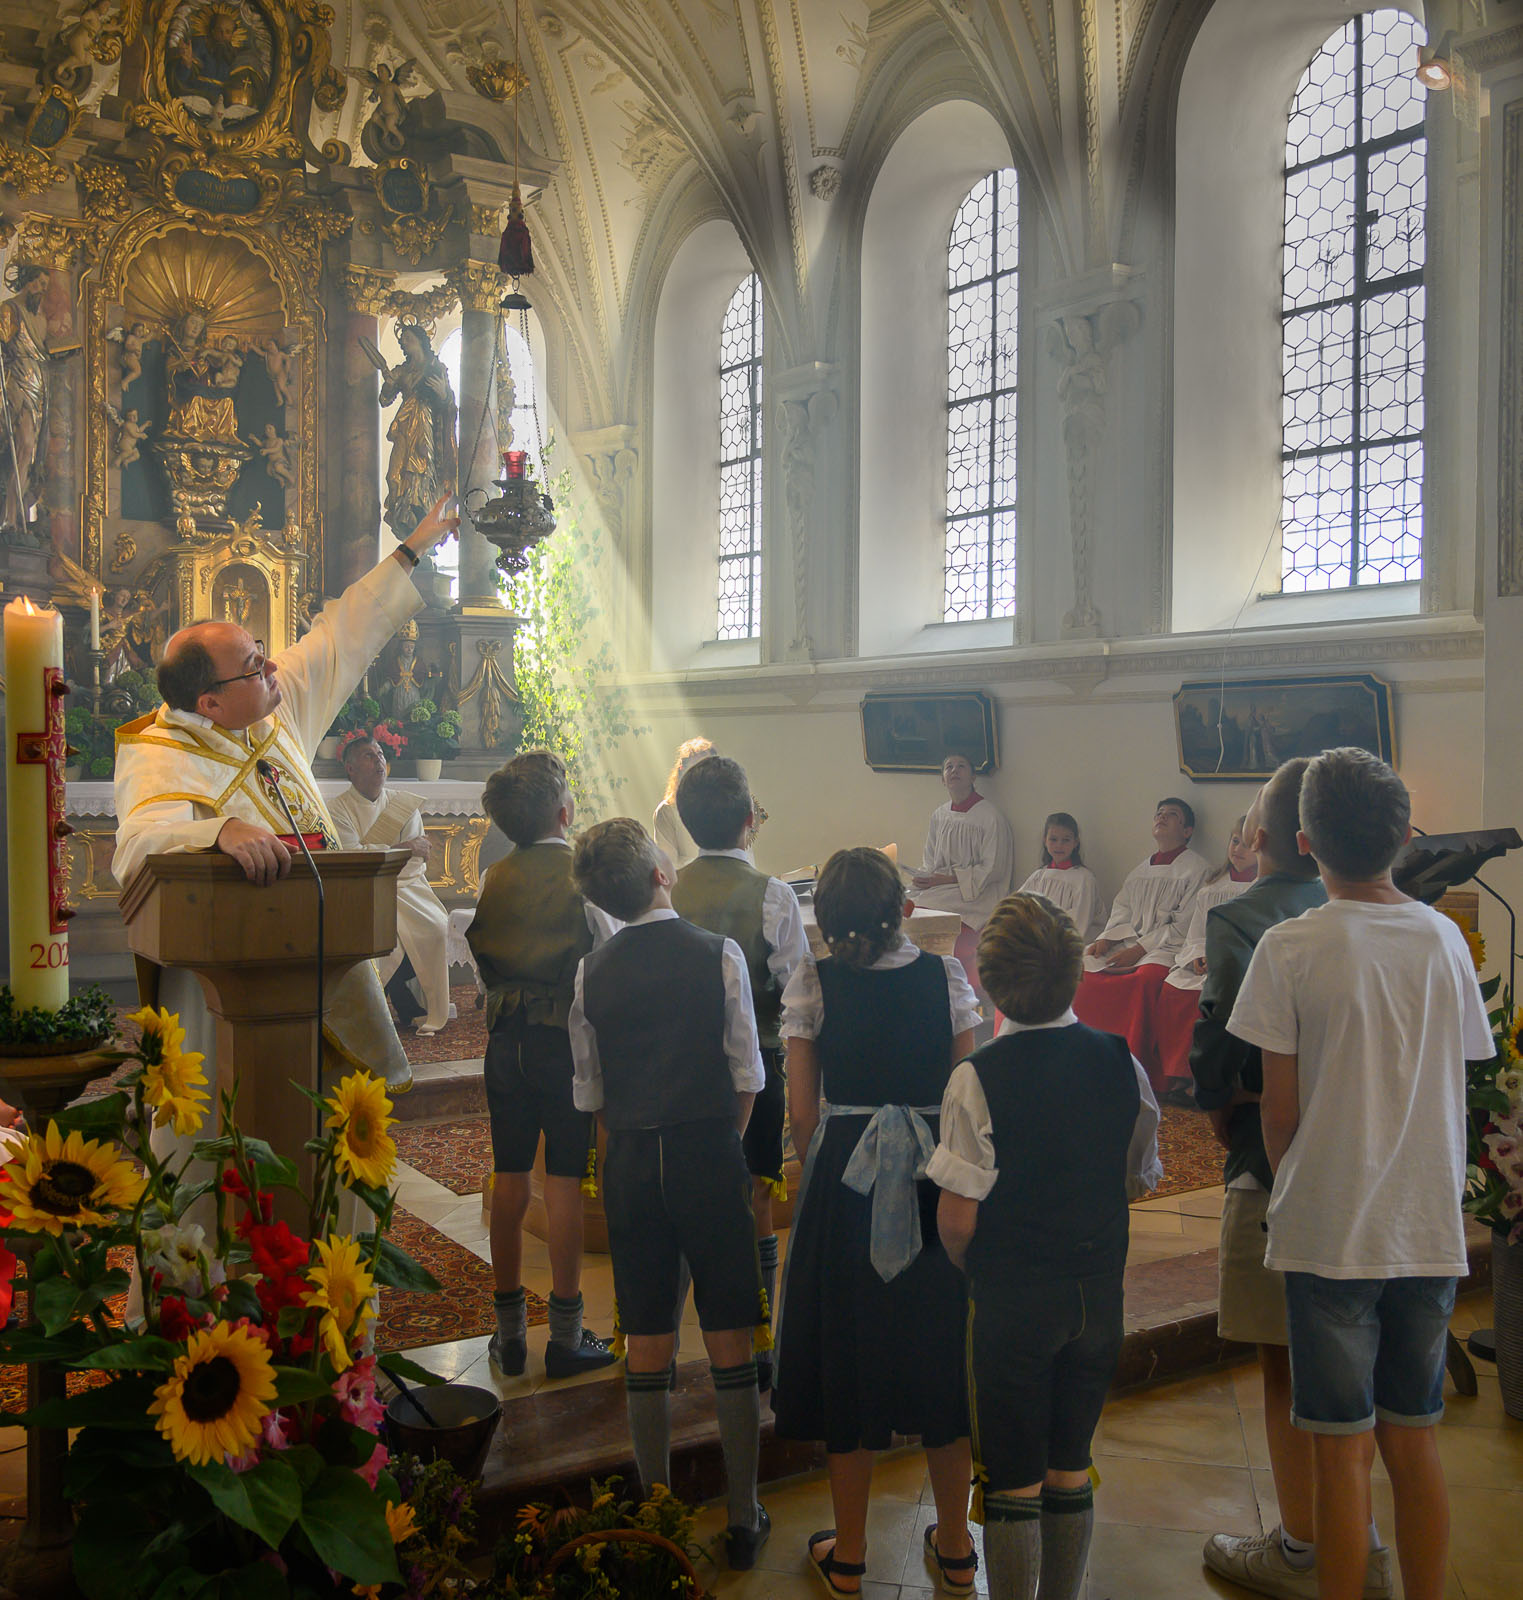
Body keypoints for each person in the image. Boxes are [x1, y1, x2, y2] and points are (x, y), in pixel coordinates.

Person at [1228, 749, 1491, 1600]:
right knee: (1413, 1442)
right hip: (1423, 1226)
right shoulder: (1445, 935)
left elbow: (1277, 1107)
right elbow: (1455, 1075)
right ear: (1404, 838)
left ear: (1303, 844)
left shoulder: (1289, 945)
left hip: (1329, 1228)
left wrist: (1295, 1178)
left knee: (1338, 1453)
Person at [113, 496, 462, 1121]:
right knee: (228, 1131)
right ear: (210, 702)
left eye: (261, 650)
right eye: (253, 664)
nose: (272, 665)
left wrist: (413, 547)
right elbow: (138, 845)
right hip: (220, 981)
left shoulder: (273, 711)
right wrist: (220, 830)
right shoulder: (156, 752)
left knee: (326, 1128)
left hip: (319, 951)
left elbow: (340, 637)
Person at [1189, 761, 1390, 1600]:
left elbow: (1221, 1057)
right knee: (1355, 1368)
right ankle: (1358, 1538)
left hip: (1271, 1166)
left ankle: (1303, 1545)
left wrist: (1218, 1096)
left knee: (1281, 1360)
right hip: (1371, 1165)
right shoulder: (1375, 912)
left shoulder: (1240, 917)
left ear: (1266, 837)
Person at [932, 894, 1162, 1600]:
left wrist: (976, 1265)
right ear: (1078, 975)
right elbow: (1137, 1172)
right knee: (1069, 1462)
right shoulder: (1118, 1061)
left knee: (1010, 1476)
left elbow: (957, 1218)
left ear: (987, 983)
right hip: (1096, 1293)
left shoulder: (977, 1077)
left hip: (1012, 1299)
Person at [772, 847, 980, 1597]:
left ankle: (852, 1553)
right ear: (903, 910)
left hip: (846, 1183)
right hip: (934, 1181)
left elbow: (801, 1112)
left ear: (824, 920)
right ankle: (956, 1546)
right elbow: (966, 1094)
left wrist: (827, 1167)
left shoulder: (814, 981)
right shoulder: (944, 977)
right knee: (939, 1352)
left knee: (848, 1357)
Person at [569, 819, 771, 1571]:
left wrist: (626, 1145)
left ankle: (656, 1510)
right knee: (728, 1336)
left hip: (629, 1157)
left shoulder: (592, 971)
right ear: (661, 874)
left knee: (646, 1335)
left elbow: (589, 1090)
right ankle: (744, 1513)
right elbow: (746, 1072)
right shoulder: (715, 953)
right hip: (704, 1149)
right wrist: (719, 1137)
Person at [465, 749, 618, 1381]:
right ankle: (563, 1334)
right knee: (561, 1185)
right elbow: (609, 955)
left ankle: (507, 1335)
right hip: (565, 1046)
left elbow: (482, 960)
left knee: (508, 1177)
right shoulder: (583, 878)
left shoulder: (493, 877)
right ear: (565, 811)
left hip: (506, 1044)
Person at [670, 754, 809, 1390]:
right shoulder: (773, 896)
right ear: (750, 821)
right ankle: (760, 1342)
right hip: (757, 1068)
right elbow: (799, 991)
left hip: (677, 1067)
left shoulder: (666, 888)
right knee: (756, 1194)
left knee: (683, 1195)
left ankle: (665, 1341)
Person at [1073, 797, 1209, 1084]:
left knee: (1146, 979)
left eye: (1172, 815)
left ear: (1187, 831)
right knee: (1081, 967)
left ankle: (1135, 1065)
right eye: (1159, 813)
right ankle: (1087, 1056)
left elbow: (1183, 924)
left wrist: (1139, 950)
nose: (1162, 817)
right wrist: (1107, 939)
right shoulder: (1140, 871)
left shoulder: (1197, 870)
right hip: (1128, 944)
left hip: (1167, 948)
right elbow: (1122, 909)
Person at [329, 733, 453, 1037]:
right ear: (351, 769)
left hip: (409, 886)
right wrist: (402, 848)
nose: (379, 761)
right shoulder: (337, 809)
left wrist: (398, 851)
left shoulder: (403, 804)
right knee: (387, 938)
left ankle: (411, 1003)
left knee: (436, 927)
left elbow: (415, 860)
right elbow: (351, 856)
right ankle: (387, 1005)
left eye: (381, 754)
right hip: (365, 890)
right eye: (369, 756)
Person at [1149, 814, 1257, 1101]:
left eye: (1247, 844)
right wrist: (1198, 955)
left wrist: (1221, 959)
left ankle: (1198, 1076)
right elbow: (1196, 932)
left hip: (1237, 966)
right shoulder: (1212, 887)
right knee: (1173, 989)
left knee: (1206, 999)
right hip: (1204, 963)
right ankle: (1174, 1074)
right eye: (1235, 841)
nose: (1238, 849)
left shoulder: (1260, 889)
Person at [909, 753, 1016, 998]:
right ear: (942, 779)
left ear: (973, 776)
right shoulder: (940, 815)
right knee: (908, 900)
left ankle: (954, 989)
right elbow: (931, 860)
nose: (954, 770)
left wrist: (944, 880)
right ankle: (921, 983)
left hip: (977, 892)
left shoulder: (990, 816)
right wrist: (924, 877)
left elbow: (993, 869)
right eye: (948, 767)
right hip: (943, 885)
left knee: (923, 908)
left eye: (961, 766)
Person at [1014, 812, 1106, 943]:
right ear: (1045, 840)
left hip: (1075, 946)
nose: (1059, 845)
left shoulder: (1084, 879)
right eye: (1053, 839)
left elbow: (1079, 925)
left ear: (1075, 842)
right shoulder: (1038, 877)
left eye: (1066, 840)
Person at [653, 737, 716, 869]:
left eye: (708, 769)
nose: (702, 776)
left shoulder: (726, 806)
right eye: (696, 769)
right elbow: (668, 866)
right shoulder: (668, 810)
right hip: (686, 886)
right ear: (682, 771)